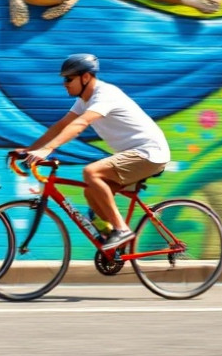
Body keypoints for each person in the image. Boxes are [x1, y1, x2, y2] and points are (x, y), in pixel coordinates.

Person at [21, 53, 170, 251]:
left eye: (68, 78)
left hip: (149, 152)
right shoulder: (84, 100)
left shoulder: (104, 94)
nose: (64, 83)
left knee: (91, 172)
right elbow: (61, 125)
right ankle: (113, 243)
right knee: (91, 193)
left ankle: (121, 229)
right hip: (134, 154)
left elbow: (81, 123)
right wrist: (30, 150)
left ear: (85, 77)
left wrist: (48, 149)